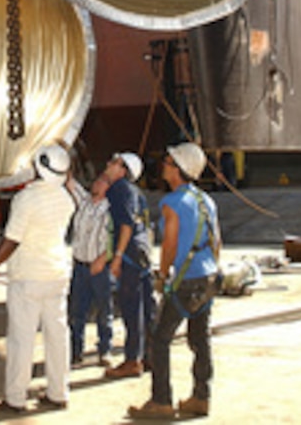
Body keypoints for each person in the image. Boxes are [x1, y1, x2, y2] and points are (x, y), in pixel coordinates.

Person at [0, 143, 76, 415]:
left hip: (28, 278)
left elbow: (12, 241)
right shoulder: (66, 198)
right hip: (57, 275)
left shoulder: (27, 199)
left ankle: (16, 398)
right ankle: (58, 392)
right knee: (57, 336)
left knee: (22, 339)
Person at [128, 142, 222, 420]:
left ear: (179, 170)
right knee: (200, 338)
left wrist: (163, 274)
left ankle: (162, 401)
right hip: (208, 277)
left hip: (187, 280)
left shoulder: (172, 203)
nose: (164, 165)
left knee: (160, 338)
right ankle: (201, 396)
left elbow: (169, 244)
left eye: (169, 162)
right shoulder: (206, 200)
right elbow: (216, 240)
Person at [102, 151, 155, 380]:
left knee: (131, 308)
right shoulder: (136, 192)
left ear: (124, 170)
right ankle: (149, 357)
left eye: (114, 162)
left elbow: (125, 226)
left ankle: (132, 360)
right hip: (142, 253)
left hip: (130, 255)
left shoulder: (118, 189)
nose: (109, 164)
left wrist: (117, 257)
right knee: (146, 309)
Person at [67, 174, 113, 368]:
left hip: (99, 266)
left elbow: (115, 236)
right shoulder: (83, 201)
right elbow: (70, 181)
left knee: (104, 309)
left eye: (102, 181)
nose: (96, 182)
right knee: (77, 310)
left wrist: (102, 259)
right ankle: (76, 351)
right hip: (80, 264)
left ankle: (105, 349)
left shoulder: (111, 209)